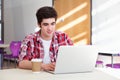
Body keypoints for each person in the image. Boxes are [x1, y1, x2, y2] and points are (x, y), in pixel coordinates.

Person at [18, 6, 73, 71]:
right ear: (39, 24)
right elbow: (22, 63)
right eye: (46, 24)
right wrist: (43, 66)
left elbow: (73, 57)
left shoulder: (63, 37)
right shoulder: (30, 39)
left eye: (52, 24)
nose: (50, 28)